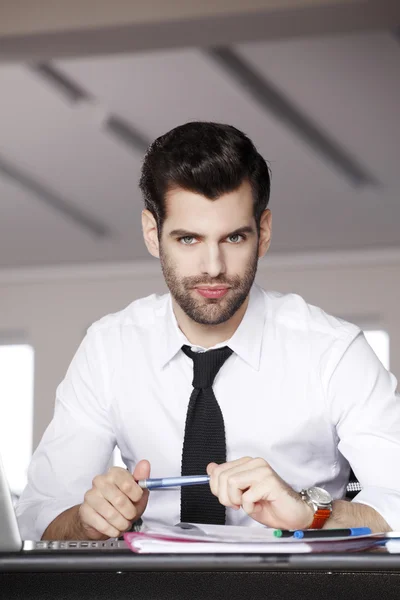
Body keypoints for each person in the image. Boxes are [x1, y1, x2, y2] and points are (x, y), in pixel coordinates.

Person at [16, 122, 400, 541]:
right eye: (188, 239)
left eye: (234, 237)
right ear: (152, 234)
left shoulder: (334, 352)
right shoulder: (109, 348)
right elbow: (37, 516)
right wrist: (87, 520)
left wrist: (311, 511)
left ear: (264, 233)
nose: (213, 266)